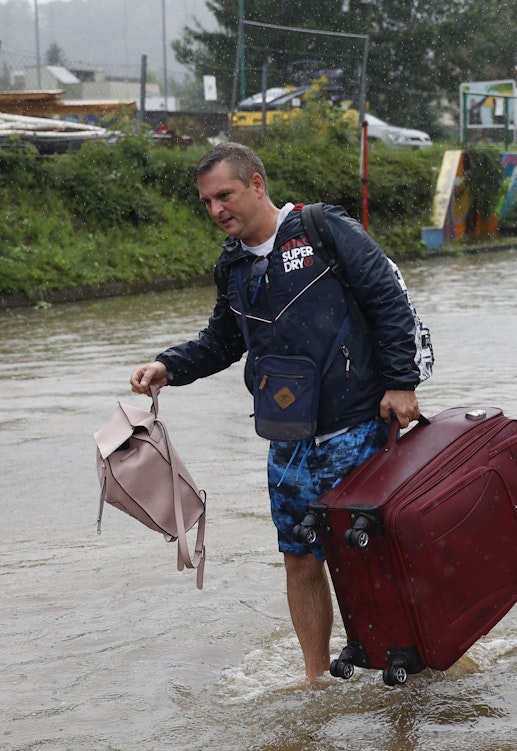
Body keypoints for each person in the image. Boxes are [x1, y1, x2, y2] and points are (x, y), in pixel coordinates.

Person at [129, 142, 421, 681]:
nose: (216, 210)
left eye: (226, 195)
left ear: (257, 185)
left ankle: (408, 662)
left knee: (369, 558)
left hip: (355, 427)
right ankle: (316, 680)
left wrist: (401, 384)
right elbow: (223, 339)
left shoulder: (322, 230)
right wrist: (169, 366)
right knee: (299, 558)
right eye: (207, 202)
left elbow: (388, 300)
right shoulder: (233, 264)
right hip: (288, 442)